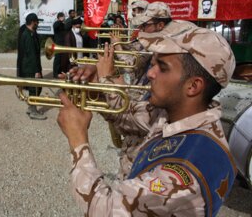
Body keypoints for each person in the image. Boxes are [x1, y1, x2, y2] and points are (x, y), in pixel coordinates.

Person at [57, 22, 237, 216]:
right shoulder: (179, 114)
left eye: (163, 67)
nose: (150, 73)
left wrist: (78, 139)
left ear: (193, 86)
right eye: (153, 64)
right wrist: (95, 90)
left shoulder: (181, 175)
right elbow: (131, 119)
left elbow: (105, 210)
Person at [18, 13, 47, 120]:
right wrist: (36, 71)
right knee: (35, 88)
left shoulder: (30, 33)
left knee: (36, 87)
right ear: (32, 22)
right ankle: (33, 111)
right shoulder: (28, 35)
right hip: (31, 67)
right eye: (37, 22)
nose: (38, 23)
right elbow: (31, 55)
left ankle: (31, 107)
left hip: (30, 66)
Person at [52, 12, 67, 78]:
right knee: (57, 59)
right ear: (59, 17)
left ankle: (60, 72)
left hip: (63, 44)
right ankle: (55, 73)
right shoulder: (57, 23)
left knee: (61, 59)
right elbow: (56, 26)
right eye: (62, 17)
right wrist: (60, 21)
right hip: (58, 43)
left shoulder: (63, 24)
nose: (64, 18)